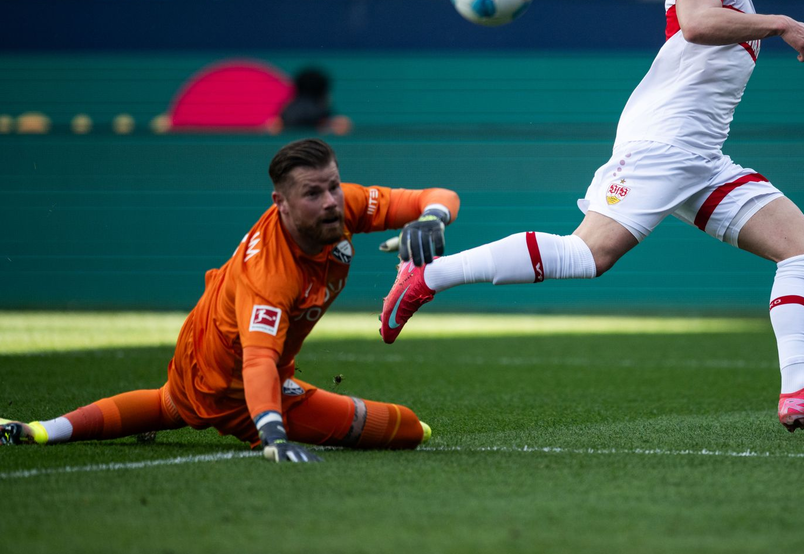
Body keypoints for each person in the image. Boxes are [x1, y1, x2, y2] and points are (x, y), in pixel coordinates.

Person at [380, 0, 804, 433]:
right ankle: (426, 275)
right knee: (588, 255)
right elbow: (695, 22)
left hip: (702, 160)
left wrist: (769, 20)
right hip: (662, 149)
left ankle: (801, 391)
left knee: (803, 250)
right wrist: (783, 23)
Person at [1, 139, 460, 462]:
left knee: (171, 405)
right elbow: (258, 362)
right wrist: (272, 432)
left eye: (334, 185)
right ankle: (240, 415)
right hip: (234, 387)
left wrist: (433, 219)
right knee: (406, 429)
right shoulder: (271, 276)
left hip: (208, 344)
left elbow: (435, 195)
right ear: (279, 202)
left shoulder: (343, 206)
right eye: (313, 193)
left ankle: (43, 430)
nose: (331, 202)